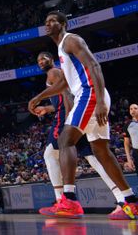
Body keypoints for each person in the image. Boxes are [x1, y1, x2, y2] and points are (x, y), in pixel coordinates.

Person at [29, 11, 137, 219]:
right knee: (101, 152)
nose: (48, 24)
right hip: (90, 95)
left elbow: (94, 65)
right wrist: (38, 97)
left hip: (90, 94)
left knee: (65, 139)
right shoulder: (61, 50)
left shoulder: (71, 40)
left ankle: (69, 199)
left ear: (63, 24)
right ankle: (130, 201)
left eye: (53, 21)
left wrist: (98, 102)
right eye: (46, 21)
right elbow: (63, 84)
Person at [32, 51, 125, 216]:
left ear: (52, 59)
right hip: (74, 115)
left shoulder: (53, 72)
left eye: (44, 58)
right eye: (38, 60)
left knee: (49, 154)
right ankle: (122, 199)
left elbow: (67, 96)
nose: (41, 61)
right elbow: (62, 99)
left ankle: (62, 200)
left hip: (66, 119)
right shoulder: (56, 73)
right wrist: (47, 108)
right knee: (93, 159)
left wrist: (70, 120)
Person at [124, 104, 138, 172]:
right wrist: (129, 159)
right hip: (136, 152)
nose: (133, 110)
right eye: (131, 109)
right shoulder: (127, 124)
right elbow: (126, 143)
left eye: (135, 108)